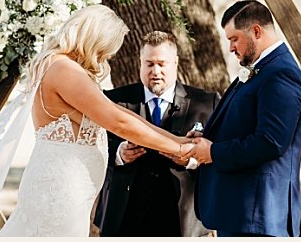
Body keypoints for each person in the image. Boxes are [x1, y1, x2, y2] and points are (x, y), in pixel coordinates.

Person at [0, 4, 194, 237]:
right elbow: (118, 122)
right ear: (93, 40)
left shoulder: (66, 68)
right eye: (106, 50)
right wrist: (179, 149)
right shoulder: (63, 70)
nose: (106, 58)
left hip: (68, 193)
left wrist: (179, 141)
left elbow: (124, 114)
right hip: (59, 194)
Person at [188, 0, 301, 237]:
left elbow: (271, 142)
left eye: (234, 39)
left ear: (256, 31)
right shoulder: (263, 69)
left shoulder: (281, 73)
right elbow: (247, 126)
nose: (231, 48)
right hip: (242, 215)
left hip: (259, 217)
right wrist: (208, 138)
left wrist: (213, 152)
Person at [93, 31, 218, 237]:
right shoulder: (113, 100)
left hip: (181, 221)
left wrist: (190, 160)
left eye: (162, 64)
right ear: (140, 63)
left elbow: (219, 153)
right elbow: (93, 144)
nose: (155, 71)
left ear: (176, 63)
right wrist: (118, 153)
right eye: (149, 64)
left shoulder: (207, 102)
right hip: (124, 218)